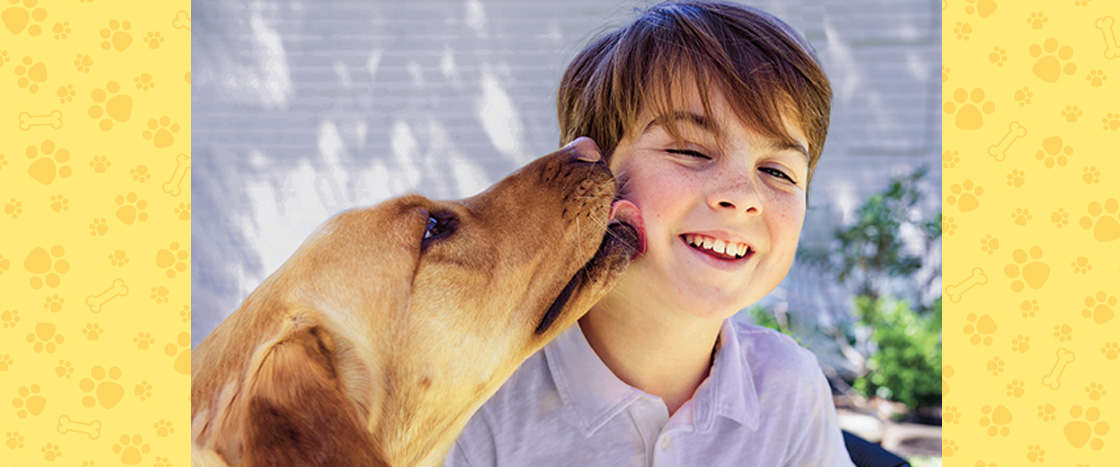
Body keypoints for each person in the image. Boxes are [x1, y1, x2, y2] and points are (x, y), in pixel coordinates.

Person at [446, 1, 853, 465]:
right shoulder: (482, 395)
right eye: (690, 150)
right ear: (593, 174)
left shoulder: (790, 389)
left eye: (778, 172)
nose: (744, 196)